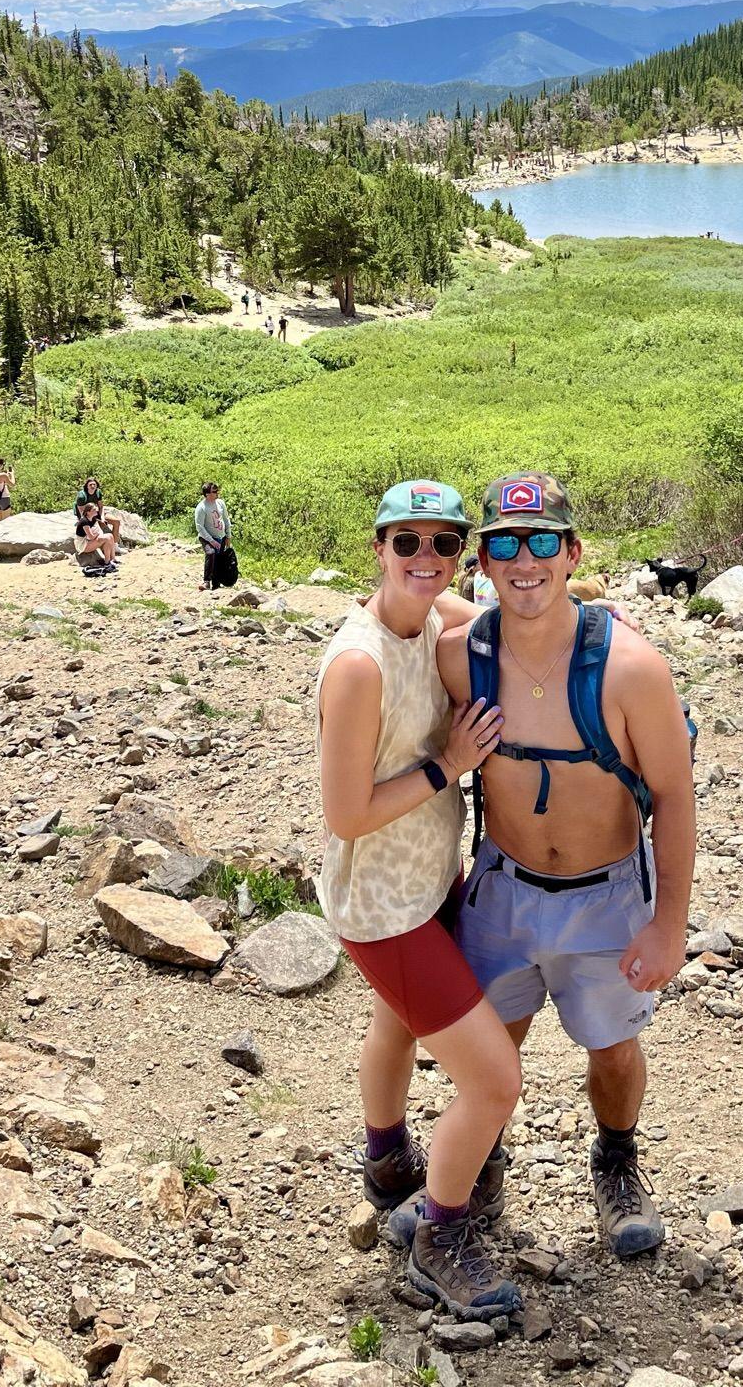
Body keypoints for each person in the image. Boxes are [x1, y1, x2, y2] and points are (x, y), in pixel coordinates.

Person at [406, 474, 696, 1265]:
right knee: (490, 1050)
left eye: (541, 542)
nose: (524, 560)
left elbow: (672, 797)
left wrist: (668, 926)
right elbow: (395, 632)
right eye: (504, 543)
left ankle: (616, 1163)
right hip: (501, 890)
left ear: (572, 553)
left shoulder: (632, 669)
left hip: (605, 897)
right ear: (485, 563)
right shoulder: (461, 658)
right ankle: (475, 1175)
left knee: (612, 1047)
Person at [316, 480, 522, 1322]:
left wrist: (597, 611)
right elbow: (345, 813)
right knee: (495, 1081)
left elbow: (501, 620)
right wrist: (447, 767)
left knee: (394, 1024)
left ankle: (386, 1160)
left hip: (430, 878)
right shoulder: (360, 664)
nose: (427, 561)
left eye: (445, 545)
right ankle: (440, 1233)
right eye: (409, 544)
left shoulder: (435, 617)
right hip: (382, 904)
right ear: (378, 548)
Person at [195, 482, 234, 590]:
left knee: (219, 559)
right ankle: (206, 581)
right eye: (214, 491)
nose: (217, 493)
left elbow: (226, 519)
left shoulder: (220, 503)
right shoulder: (201, 507)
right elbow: (200, 527)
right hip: (206, 537)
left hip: (220, 536)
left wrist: (228, 536)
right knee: (211, 553)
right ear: (207, 494)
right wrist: (211, 541)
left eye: (217, 491)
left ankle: (216, 584)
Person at [74, 483, 119, 574]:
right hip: (83, 545)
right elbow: (90, 537)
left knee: (110, 536)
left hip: (89, 540)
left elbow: (96, 532)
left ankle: (112, 559)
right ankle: (107, 562)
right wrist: (98, 535)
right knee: (106, 538)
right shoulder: (84, 522)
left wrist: (98, 534)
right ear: (88, 512)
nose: (97, 511)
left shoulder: (93, 519)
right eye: (94, 510)